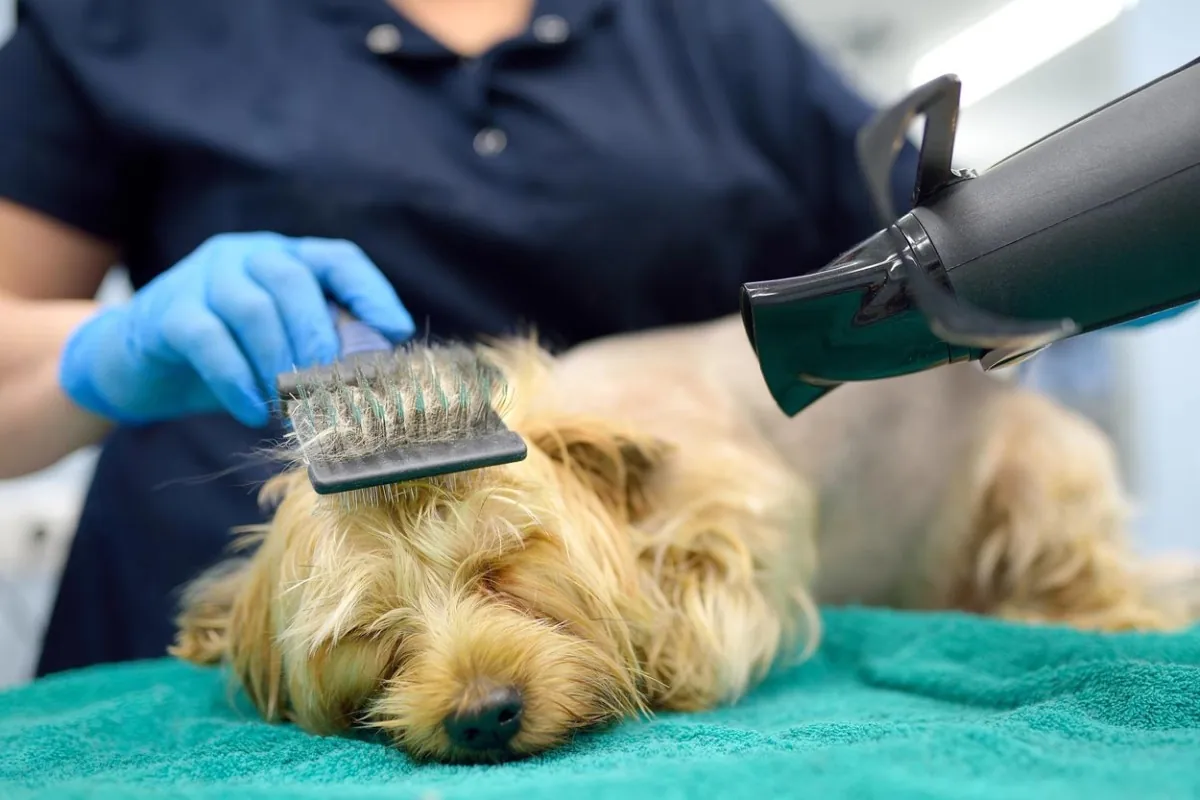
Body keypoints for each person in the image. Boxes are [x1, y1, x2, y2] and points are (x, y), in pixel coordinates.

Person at [1, 0, 1143, 679]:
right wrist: (112, 348)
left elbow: (936, 243)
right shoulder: (124, 20)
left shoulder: (700, 26)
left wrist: (1096, 239)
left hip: (618, 625)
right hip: (232, 654)